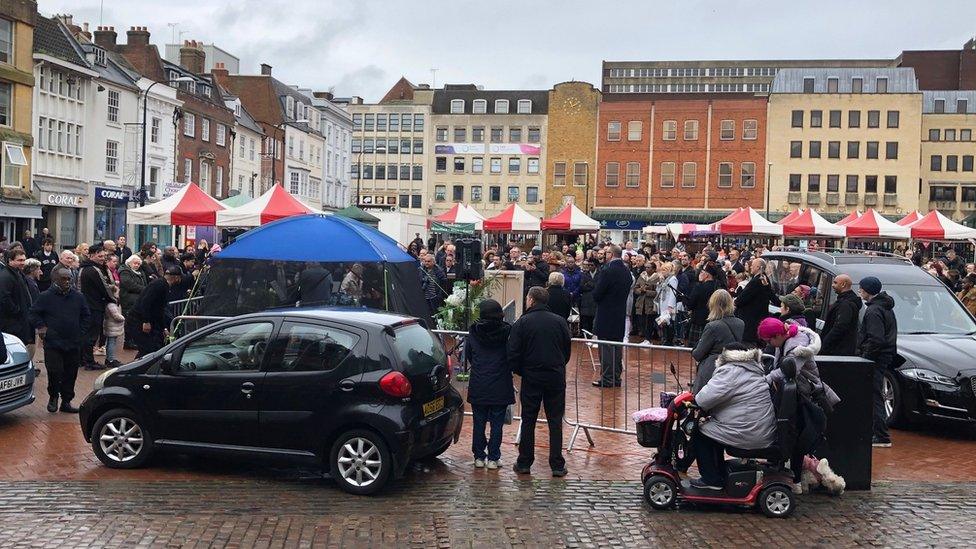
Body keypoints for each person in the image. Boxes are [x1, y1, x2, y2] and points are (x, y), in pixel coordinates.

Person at [691, 342, 777, 490]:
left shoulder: (731, 370)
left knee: (700, 432)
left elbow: (704, 398)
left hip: (749, 432)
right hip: (759, 429)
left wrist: (694, 399)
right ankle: (718, 474)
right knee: (712, 430)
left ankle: (711, 480)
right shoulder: (753, 368)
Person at [507, 287, 572, 477]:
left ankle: (525, 461)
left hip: (532, 376)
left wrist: (522, 370)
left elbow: (514, 352)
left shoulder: (523, 322)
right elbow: (566, 349)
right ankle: (557, 464)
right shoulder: (559, 322)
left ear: (532, 300)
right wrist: (558, 365)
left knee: (529, 419)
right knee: (555, 420)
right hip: (554, 375)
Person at [29, 265, 90, 413]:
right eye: (64, 278)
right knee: (55, 372)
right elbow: (33, 314)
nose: (67, 281)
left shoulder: (78, 297)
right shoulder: (45, 296)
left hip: (73, 342)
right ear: (55, 279)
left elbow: (86, 316)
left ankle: (66, 401)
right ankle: (53, 397)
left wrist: (80, 333)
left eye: (69, 278)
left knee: (71, 373)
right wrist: (43, 328)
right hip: (53, 343)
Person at [465, 299, 514, 470]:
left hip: (479, 380)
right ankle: (494, 457)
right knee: (497, 423)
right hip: (500, 381)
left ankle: (479, 456)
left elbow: (469, 354)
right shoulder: (507, 331)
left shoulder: (473, 331)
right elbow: (511, 353)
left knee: (479, 422)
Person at [856, 276, 897, 448]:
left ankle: (881, 435)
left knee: (875, 395)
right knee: (876, 393)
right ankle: (877, 432)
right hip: (884, 355)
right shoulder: (885, 307)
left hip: (876, 358)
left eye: (861, 289)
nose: (859, 291)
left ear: (867, 290)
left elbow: (876, 339)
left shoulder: (873, 311)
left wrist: (865, 357)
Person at [592, 245, 633, 388]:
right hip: (619, 313)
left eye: (607, 252)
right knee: (617, 347)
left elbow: (597, 293)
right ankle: (616, 377)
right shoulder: (626, 271)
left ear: (612, 254)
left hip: (606, 313)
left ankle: (608, 378)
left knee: (606, 348)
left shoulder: (608, 270)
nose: (604, 255)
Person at [691, 290, 745, 393]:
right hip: (733, 367)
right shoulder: (741, 323)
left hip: (712, 370)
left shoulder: (712, 326)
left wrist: (695, 348)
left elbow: (698, 354)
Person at [133, 266, 183, 358]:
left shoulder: (163, 286)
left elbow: (160, 309)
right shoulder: (159, 285)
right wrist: (146, 321)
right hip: (140, 320)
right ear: (176, 277)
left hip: (151, 321)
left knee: (152, 347)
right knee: (148, 348)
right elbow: (146, 302)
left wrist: (163, 328)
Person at [79, 245, 112, 370]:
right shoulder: (94, 270)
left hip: (86, 305)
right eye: (100, 256)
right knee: (91, 335)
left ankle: (83, 359)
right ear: (92, 255)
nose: (102, 258)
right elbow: (104, 288)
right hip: (94, 306)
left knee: (86, 333)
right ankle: (89, 361)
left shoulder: (83, 268)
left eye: (104, 256)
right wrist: (112, 299)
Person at [734, 258, 776, 347]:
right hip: (757, 317)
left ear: (758, 267)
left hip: (751, 320)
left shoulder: (757, 280)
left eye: (752, 265)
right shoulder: (762, 279)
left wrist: (735, 301)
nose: (751, 267)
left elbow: (742, 299)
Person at [0, 249, 34, 352]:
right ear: (10, 260)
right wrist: (17, 310)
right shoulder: (6, 276)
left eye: (24, 260)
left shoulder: (18, 273)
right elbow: (4, 298)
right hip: (12, 323)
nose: (23, 263)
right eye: (19, 260)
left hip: (19, 321)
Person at [820, 274, 862, 356]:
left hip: (837, 351)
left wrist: (825, 344)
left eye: (835, 283)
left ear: (843, 284)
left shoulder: (845, 304)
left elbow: (840, 326)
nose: (832, 285)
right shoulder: (846, 301)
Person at [686, 264, 721, 347]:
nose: (700, 272)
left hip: (699, 322)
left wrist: (699, 282)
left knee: (697, 349)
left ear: (707, 274)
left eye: (703, 271)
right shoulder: (718, 287)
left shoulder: (699, 286)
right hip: (714, 321)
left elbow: (690, 305)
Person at [119, 255, 147, 349]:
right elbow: (129, 284)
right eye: (135, 263)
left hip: (138, 300)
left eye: (138, 264)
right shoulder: (125, 272)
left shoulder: (140, 272)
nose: (137, 265)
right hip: (128, 300)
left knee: (137, 321)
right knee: (129, 321)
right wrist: (145, 289)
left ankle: (135, 340)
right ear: (129, 263)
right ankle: (128, 341)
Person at [633, 261, 659, 344]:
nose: (646, 269)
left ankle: (649, 338)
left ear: (654, 269)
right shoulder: (642, 276)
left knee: (650, 321)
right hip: (641, 303)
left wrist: (647, 291)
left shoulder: (657, 278)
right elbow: (635, 289)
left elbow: (657, 292)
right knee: (642, 321)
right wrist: (640, 290)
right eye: (646, 267)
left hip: (651, 303)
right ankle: (645, 338)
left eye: (649, 267)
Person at [655, 262, 679, 346]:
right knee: (663, 321)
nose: (663, 272)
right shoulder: (664, 279)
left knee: (669, 322)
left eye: (664, 270)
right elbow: (659, 291)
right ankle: (664, 338)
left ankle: (669, 340)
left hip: (668, 304)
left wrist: (670, 306)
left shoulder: (673, 279)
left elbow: (673, 293)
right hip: (663, 303)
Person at [103, 287, 125, 368]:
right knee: (111, 343)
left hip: (111, 327)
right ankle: (110, 359)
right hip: (112, 327)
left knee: (110, 342)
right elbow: (116, 316)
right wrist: (123, 318)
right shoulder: (111, 305)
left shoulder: (110, 304)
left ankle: (110, 358)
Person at [578, 259, 596, 334]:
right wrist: (591, 286)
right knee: (585, 319)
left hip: (595, 299)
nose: (590, 267)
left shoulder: (599, 274)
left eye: (592, 265)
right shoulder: (584, 274)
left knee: (594, 319)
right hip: (586, 300)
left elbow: (598, 285)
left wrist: (589, 284)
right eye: (588, 265)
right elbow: (581, 287)